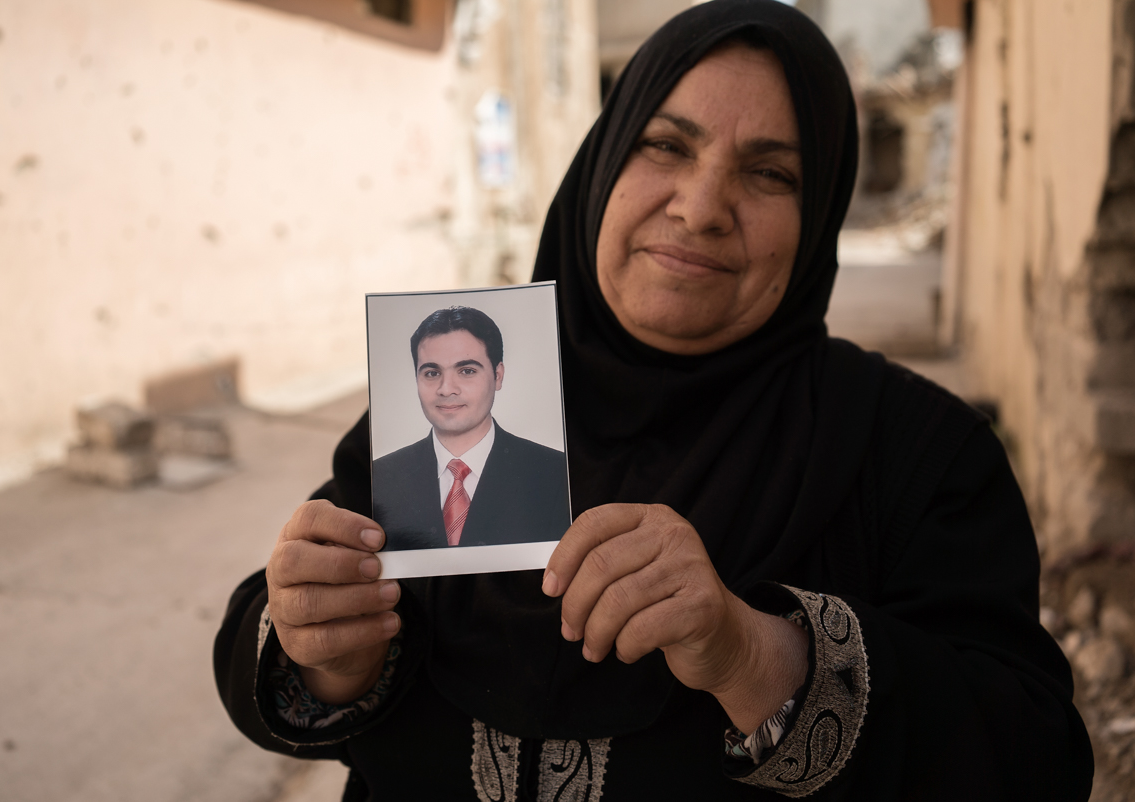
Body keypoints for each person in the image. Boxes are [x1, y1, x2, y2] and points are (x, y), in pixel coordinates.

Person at [215, 1, 1094, 799]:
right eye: (666, 146)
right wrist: (324, 648)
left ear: (819, 214)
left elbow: (1033, 761)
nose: (703, 207)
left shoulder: (916, 456)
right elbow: (302, 668)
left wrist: (753, 653)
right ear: (604, 163)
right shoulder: (452, 402)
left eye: (770, 174)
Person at [371, 305, 571, 549]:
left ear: (498, 376)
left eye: (467, 371)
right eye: (432, 373)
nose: (447, 389)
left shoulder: (555, 474)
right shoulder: (381, 477)